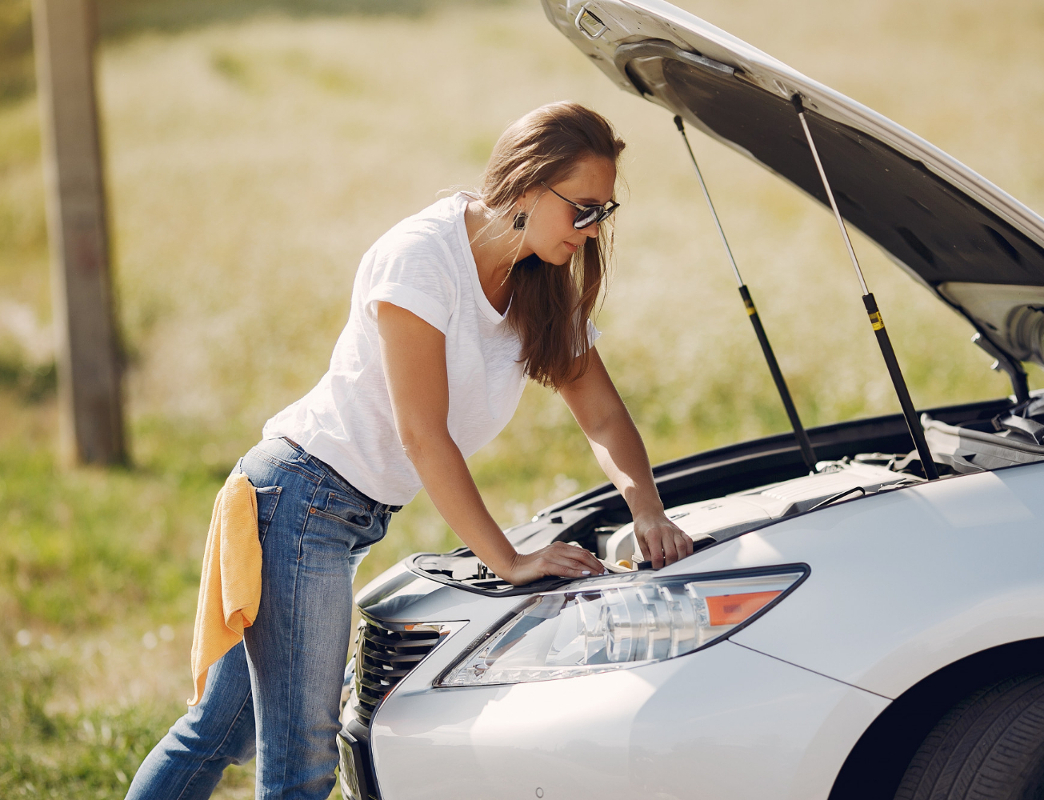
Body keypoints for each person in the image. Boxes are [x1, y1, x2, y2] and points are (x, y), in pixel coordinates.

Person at [126, 101, 693, 800]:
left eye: (603, 212)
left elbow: (602, 413)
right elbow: (422, 434)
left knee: (218, 734)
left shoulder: (538, 287)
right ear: (526, 183)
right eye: (582, 208)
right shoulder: (421, 259)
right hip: (298, 502)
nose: (592, 228)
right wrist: (508, 561)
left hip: (336, 514)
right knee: (301, 764)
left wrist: (648, 512)